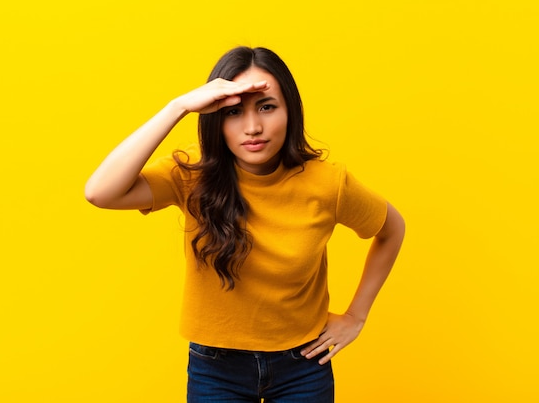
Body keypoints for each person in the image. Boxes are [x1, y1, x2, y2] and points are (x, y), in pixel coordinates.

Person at [85, 46, 405, 403]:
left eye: (267, 107)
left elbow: (391, 230)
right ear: (215, 118)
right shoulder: (191, 175)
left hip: (303, 363)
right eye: (233, 112)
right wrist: (179, 107)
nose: (253, 127)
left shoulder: (328, 183)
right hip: (216, 368)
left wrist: (355, 316)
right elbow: (100, 192)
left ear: (290, 112)